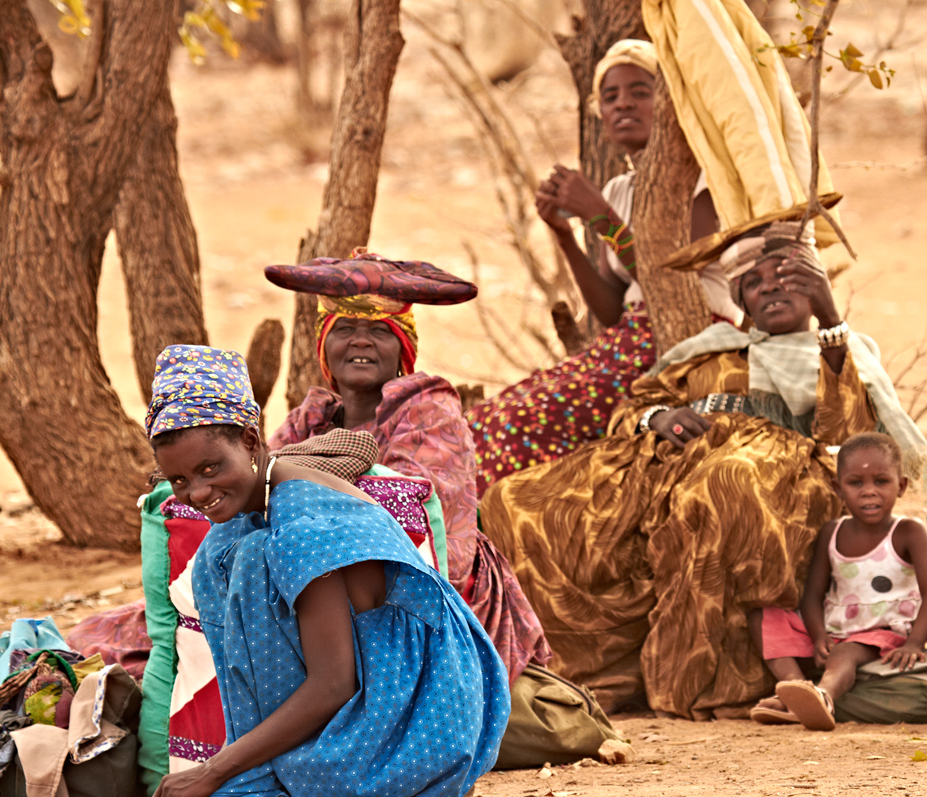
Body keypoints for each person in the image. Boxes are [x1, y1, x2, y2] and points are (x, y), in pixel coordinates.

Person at [478, 211, 927, 720]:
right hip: (660, 462)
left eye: (786, 279)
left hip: (772, 466)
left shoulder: (843, 349)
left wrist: (829, 321)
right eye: (753, 284)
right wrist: (660, 416)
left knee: (723, 483)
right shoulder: (707, 350)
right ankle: (554, 670)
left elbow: (843, 436)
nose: (770, 289)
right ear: (741, 302)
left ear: (814, 287)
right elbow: (633, 405)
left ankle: (696, 681)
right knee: (514, 501)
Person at [147, 345, 510, 797]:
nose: (198, 491)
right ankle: (259, 767)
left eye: (209, 468)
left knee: (250, 561)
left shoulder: (298, 523)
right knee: (222, 552)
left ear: (249, 440)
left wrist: (214, 771)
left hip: (417, 719)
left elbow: (334, 683)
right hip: (377, 697)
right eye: (180, 480)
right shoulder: (264, 496)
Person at [466, 38, 742, 496]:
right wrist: (563, 233)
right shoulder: (619, 189)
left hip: (686, 340)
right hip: (627, 337)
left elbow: (673, 283)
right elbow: (612, 308)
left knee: (521, 423)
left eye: (640, 90)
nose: (623, 104)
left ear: (671, 104)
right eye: (610, 96)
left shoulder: (703, 180)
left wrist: (599, 216)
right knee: (486, 419)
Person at [267, 254, 552, 686]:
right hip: (325, 587)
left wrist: (296, 477)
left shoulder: (429, 410)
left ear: (404, 348)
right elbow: (259, 486)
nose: (360, 341)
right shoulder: (311, 420)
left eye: (380, 331)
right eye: (344, 329)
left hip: (430, 600)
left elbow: (411, 526)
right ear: (325, 345)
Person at [748, 432, 927, 731]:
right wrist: (818, 636)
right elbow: (812, 596)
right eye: (856, 483)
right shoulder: (832, 532)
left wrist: (914, 643)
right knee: (763, 617)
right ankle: (796, 689)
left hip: (885, 631)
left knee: (846, 652)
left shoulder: (908, 532)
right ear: (837, 488)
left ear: (902, 485)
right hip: (836, 628)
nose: (869, 492)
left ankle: (825, 696)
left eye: (881, 481)